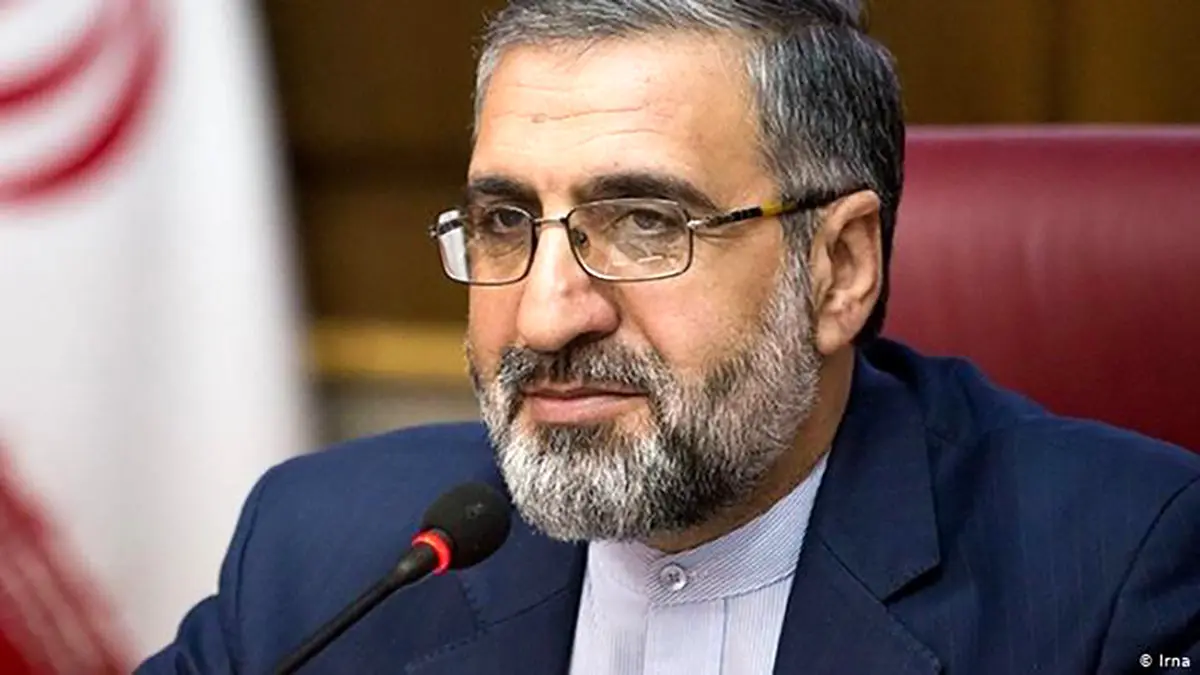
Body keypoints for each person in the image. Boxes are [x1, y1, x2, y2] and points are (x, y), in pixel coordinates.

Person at [138, 1, 1200, 673]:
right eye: (505, 222)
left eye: (646, 224)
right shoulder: (320, 555)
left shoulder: (1115, 577)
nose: (547, 314)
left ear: (839, 268)